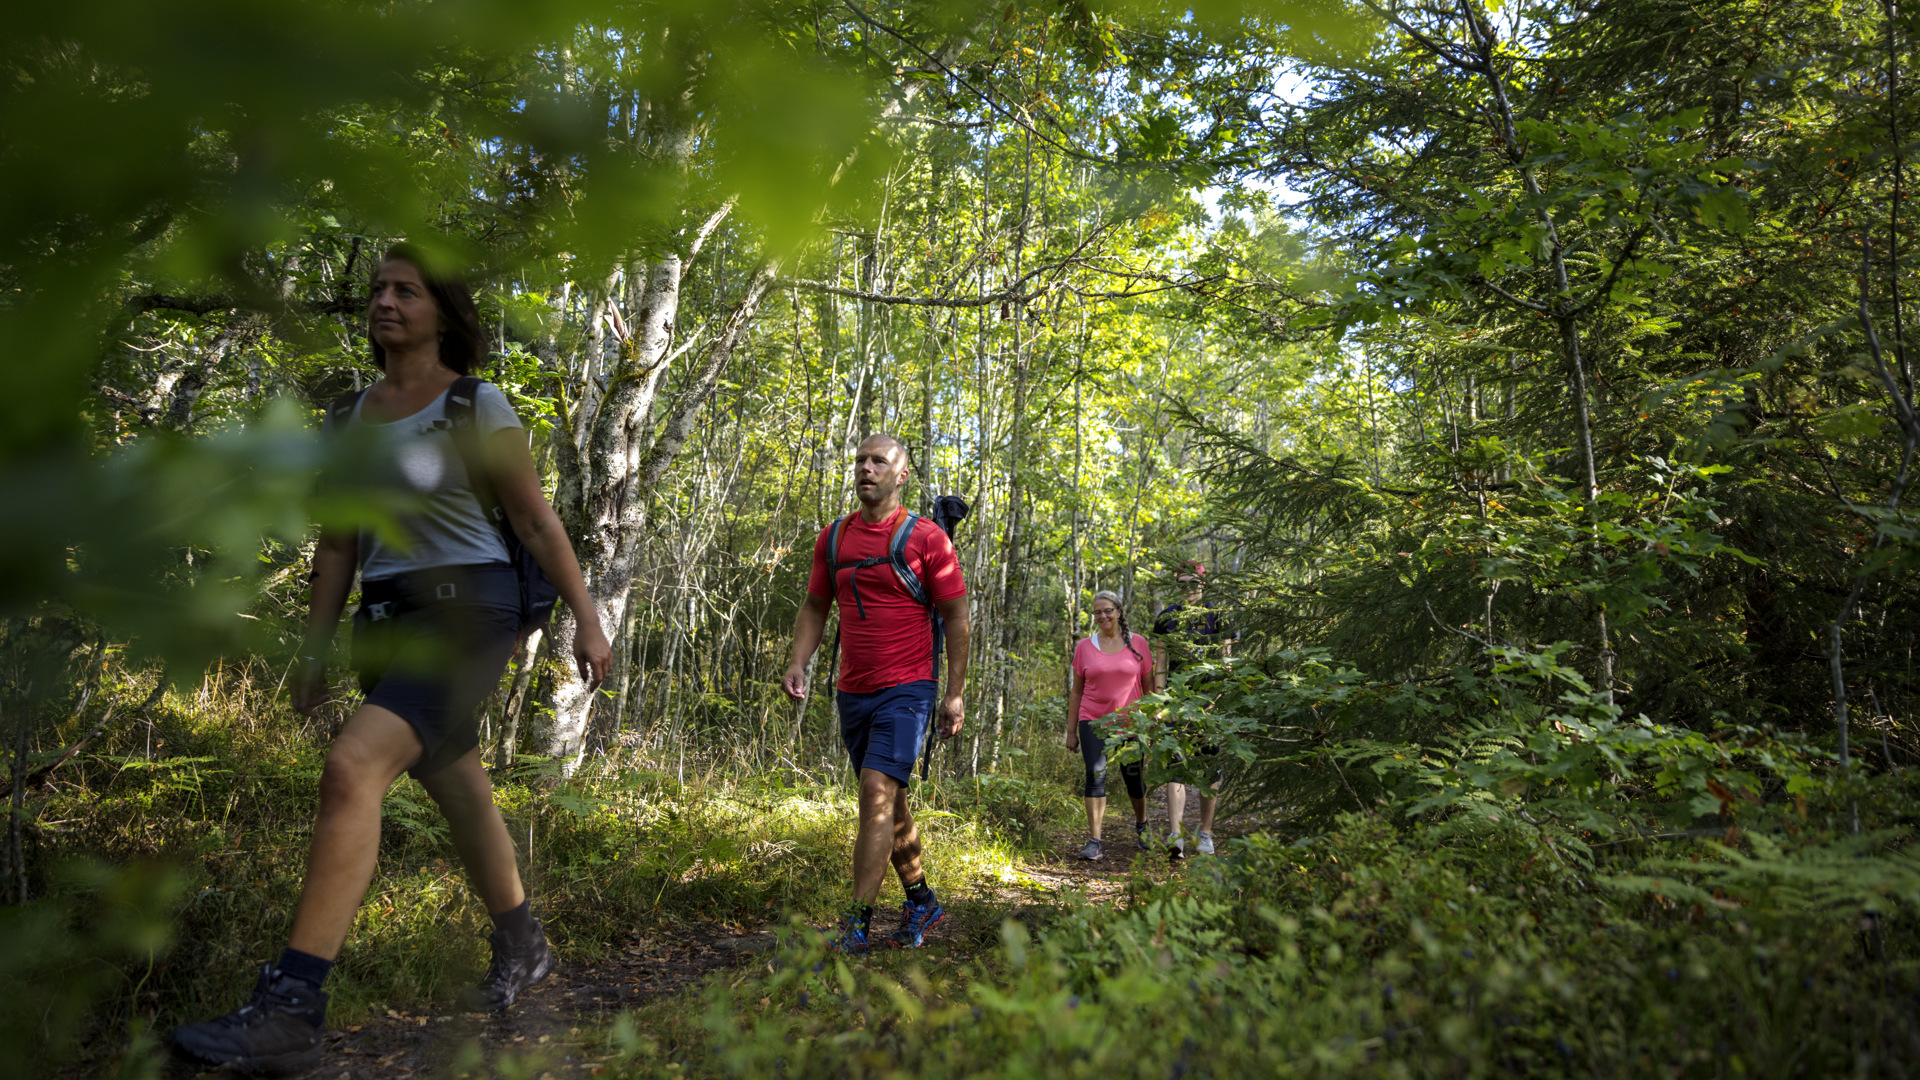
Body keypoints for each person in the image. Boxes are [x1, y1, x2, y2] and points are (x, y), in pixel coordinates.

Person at [171, 245, 613, 1074]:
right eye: (377, 289)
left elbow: (537, 524)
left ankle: (291, 1007)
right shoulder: (344, 421)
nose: (385, 302)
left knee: (352, 767)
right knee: (462, 792)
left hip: (470, 617)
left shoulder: (477, 406)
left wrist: (587, 621)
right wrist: (313, 648)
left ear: (442, 311)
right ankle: (525, 944)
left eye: (405, 290)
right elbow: (338, 543)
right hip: (383, 625)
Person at [781, 434, 969, 953]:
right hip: (853, 691)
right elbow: (816, 605)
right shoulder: (834, 539)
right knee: (890, 805)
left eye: (879, 461)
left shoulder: (927, 539)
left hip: (909, 689)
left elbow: (956, 617)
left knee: (875, 795)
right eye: (861, 460)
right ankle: (922, 900)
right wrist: (799, 661)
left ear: (901, 474)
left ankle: (856, 924)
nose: (867, 468)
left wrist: (953, 693)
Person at [1062, 591, 1157, 861]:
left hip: (1131, 722)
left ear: (1119, 611)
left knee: (1134, 779)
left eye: (1107, 610)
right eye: (1097, 612)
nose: (1102, 616)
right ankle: (1095, 840)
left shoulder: (1138, 643)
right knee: (1095, 775)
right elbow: (1076, 693)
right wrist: (1071, 732)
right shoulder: (1084, 647)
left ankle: (1142, 824)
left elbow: (1149, 686)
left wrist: (1150, 719)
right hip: (1093, 720)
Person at [1154, 561, 1231, 857]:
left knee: (1209, 768)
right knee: (1176, 765)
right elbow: (1160, 665)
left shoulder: (1218, 616)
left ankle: (1205, 833)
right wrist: (1161, 704)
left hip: (1208, 705)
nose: (1188, 589)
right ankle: (1176, 835)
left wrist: (1215, 701)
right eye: (1182, 583)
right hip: (1175, 703)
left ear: (1203, 584)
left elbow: (1226, 664)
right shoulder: (1167, 618)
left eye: (1193, 583)